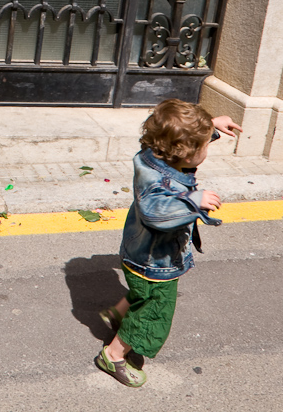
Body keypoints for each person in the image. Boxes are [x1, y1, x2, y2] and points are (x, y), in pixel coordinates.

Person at [94, 98, 242, 387]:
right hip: (154, 261)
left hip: (139, 253)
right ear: (185, 155)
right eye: (205, 145)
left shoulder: (154, 153)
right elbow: (156, 214)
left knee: (142, 293)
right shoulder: (160, 185)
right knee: (153, 309)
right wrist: (193, 200)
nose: (207, 148)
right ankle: (112, 355)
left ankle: (116, 313)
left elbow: (175, 140)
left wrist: (210, 126)